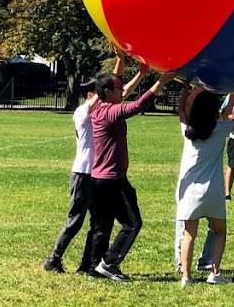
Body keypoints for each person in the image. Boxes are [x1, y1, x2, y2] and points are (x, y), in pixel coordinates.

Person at [43, 54, 143, 275]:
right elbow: (111, 88)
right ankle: (54, 259)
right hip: (83, 173)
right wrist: (119, 68)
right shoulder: (83, 112)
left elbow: (119, 90)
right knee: (76, 221)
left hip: (97, 174)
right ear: (91, 95)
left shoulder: (99, 110)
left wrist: (138, 72)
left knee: (98, 224)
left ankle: (88, 264)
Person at [88, 63, 174, 281]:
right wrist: (161, 82)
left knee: (102, 226)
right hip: (113, 180)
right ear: (108, 92)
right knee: (132, 223)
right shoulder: (110, 112)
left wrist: (140, 73)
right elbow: (137, 105)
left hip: (97, 179)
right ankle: (109, 263)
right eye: (118, 88)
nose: (122, 91)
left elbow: (124, 93)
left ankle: (94, 267)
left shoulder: (97, 108)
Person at [174, 89, 234, 287]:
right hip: (213, 191)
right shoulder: (221, 128)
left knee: (189, 234)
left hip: (190, 192)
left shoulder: (188, 129)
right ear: (215, 109)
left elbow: (181, 109)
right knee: (220, 232)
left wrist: (188, 87)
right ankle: (215, 273)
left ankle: (186, 277)